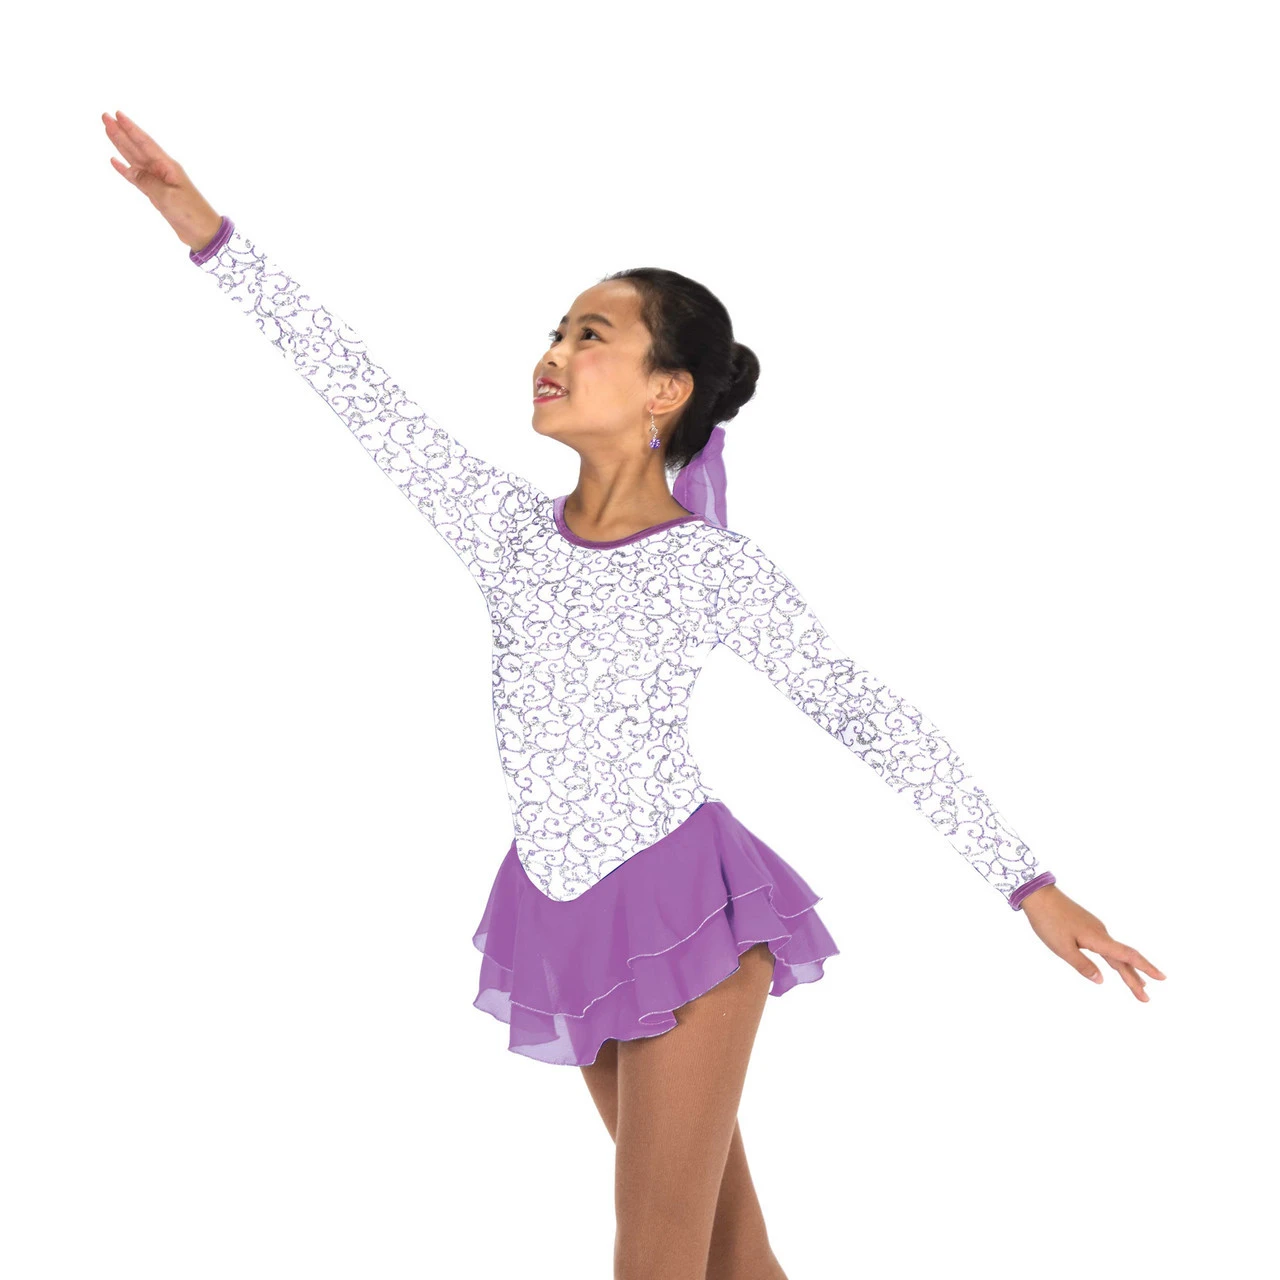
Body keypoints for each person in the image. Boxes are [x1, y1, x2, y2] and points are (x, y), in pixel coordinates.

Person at [103, 108, 1166, 1280]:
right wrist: (202, 228)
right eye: (555, 331)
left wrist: (1029, 884)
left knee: (652, 1258)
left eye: (591, 334)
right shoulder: (505, 530)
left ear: (666, 390)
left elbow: (862, 709)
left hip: (683, 908)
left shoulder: (707, 566)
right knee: (730, 1259)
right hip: (560, 910)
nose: (554, 351)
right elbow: (360, 391)